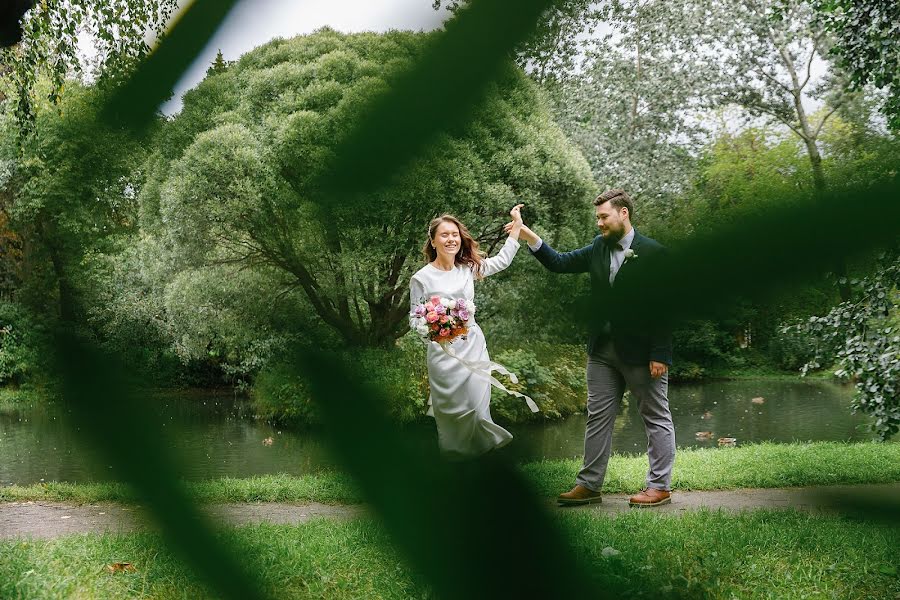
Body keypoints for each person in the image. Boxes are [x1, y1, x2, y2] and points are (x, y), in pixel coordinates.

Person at [507, 189, 675, 506]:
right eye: (597, 217)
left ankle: (659, 486)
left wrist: (660, 353)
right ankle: (589, 484)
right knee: (597, 417)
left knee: (655, 417)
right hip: (602, 351)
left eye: (603, 216)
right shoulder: (599, 247)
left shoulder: (654, 253)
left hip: (642, 353)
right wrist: (526, 233)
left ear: (623, 213)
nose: (599, 223)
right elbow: (558, 263)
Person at [409, 205, 537, 459]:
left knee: (477, 409)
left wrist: (517, 228)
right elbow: (414, 320)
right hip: (443, 356)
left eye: (455, 234)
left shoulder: (467, 268)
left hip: (474, 348)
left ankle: (479, 458)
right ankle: (453, 462)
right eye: (444, 235)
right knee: (450, 416)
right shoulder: (421, 278)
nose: (451, 239)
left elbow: (501, 261)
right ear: (433, 241)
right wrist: (436, 331)